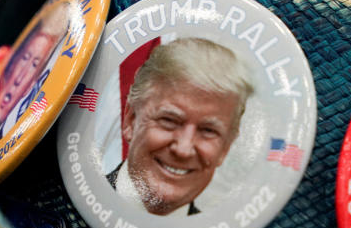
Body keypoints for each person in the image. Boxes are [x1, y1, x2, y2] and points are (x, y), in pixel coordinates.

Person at [107, 38, 254, 216]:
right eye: (169, 121)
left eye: (208, 131)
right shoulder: (72, 198)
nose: (183, 150)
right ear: (131, 120)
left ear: (226, 148)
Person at [0, 4, 70, 151]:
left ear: (35, 81)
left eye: (34, 64)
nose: (21, 76)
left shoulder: (23, 122)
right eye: (25, 58)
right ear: (13, 62)